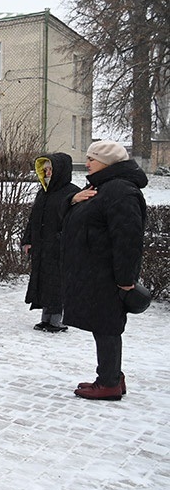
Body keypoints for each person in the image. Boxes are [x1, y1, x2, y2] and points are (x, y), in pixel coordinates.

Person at [62, 141, 147, 401]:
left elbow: (128, 238)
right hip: (95, 272)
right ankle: (111, 377)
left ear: (109, 163)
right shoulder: (100, 188)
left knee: (107, 326)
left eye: (92, 158)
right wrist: (72, 199)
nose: (87, 163)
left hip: (108, 274)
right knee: (103, 325)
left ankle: (109, 382)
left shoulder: (120, 190)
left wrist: (125, 279)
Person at [21, 153, 80, 332]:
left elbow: (76, 222)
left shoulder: (72, 192)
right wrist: (28, 240)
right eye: (45, 170)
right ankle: (45, 318)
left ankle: (56, 319)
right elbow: (34, 219)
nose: (47, 173)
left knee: (57, 283)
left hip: (60, 248)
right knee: (43, 281)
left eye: (50, 170)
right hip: (41, 246)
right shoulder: (43, 192)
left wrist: (61, 239)